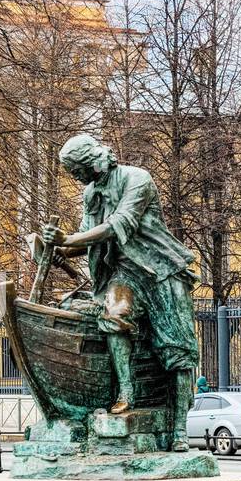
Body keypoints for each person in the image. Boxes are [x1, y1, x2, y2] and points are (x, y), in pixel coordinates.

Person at [40, 134, 200, 450]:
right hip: (125, 273)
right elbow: (92, 238)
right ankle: (126, 390)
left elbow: (118, 224)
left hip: (161, 271)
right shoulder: (91, 194)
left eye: (76, 169)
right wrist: (60, 244)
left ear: (91, 162)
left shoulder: (137, 179)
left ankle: (179, 430)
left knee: (179, 351)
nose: (76, 177)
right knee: (114, 314)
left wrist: (71, 240)